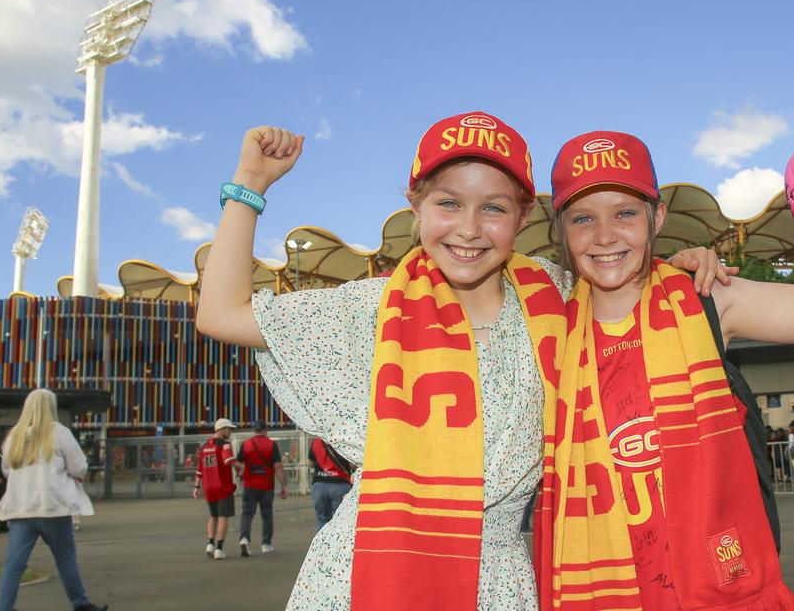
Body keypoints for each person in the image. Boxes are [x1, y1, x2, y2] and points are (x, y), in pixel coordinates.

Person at [195, 112, 723, 611]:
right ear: (416, 206)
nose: (469, 228)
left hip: (502, 577)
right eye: (449, 203)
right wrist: (250, 184)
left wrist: (677, 266)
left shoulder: (562, 297)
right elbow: (219, 314)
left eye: (493, 208)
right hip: (370, 572)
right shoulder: (369, 309)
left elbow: (629, 281)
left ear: (523, 216)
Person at [536, 131, 794, 610]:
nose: (605, 236)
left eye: (625, 213)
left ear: (657, 217)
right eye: (583, 218)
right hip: (596, 586)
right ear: (561, 230)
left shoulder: (710, 298)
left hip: (718, 584)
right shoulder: (544, 321)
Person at [0, 388, 104, 611]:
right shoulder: (58, 432)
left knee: (14, 564)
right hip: (52, 505)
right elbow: (79, 467)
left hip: (21, 507)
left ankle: (3, 608)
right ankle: (80, 604)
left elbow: (7, 469)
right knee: (65, 559)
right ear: (51, 407)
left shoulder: (13, 436)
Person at [237, 419, 288, 555]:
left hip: (249, 485)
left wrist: (242, 474)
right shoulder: (271, 445)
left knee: (247, 513)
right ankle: (266, 544)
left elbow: (238, 463)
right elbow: (278, 467)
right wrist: (284, 486)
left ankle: (244, 539)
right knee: (267, 514)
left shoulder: (246, 444)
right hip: (266, 485)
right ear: (265, 430)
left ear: (254, 430)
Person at [194, 418, 240, 559]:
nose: (230, 432)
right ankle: (219, 548)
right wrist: (243, 467)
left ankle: (210, 543)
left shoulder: (204, 446)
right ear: (222, 429)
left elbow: (199, 470)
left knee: (213, 516)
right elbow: (228, 460)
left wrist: (197, 487)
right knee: (222, 517)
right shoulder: (224, 445)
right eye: (229, 429)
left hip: (209, 487)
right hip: (223, 487)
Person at [307, 436, 352, 530]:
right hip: (340, 484)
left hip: (320, 484)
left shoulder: (316, 441)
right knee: (340, 520)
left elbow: (310, 463)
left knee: (322, 520)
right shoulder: (343, 438)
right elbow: (352, 462)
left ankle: (322, 543)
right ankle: (339, 544)